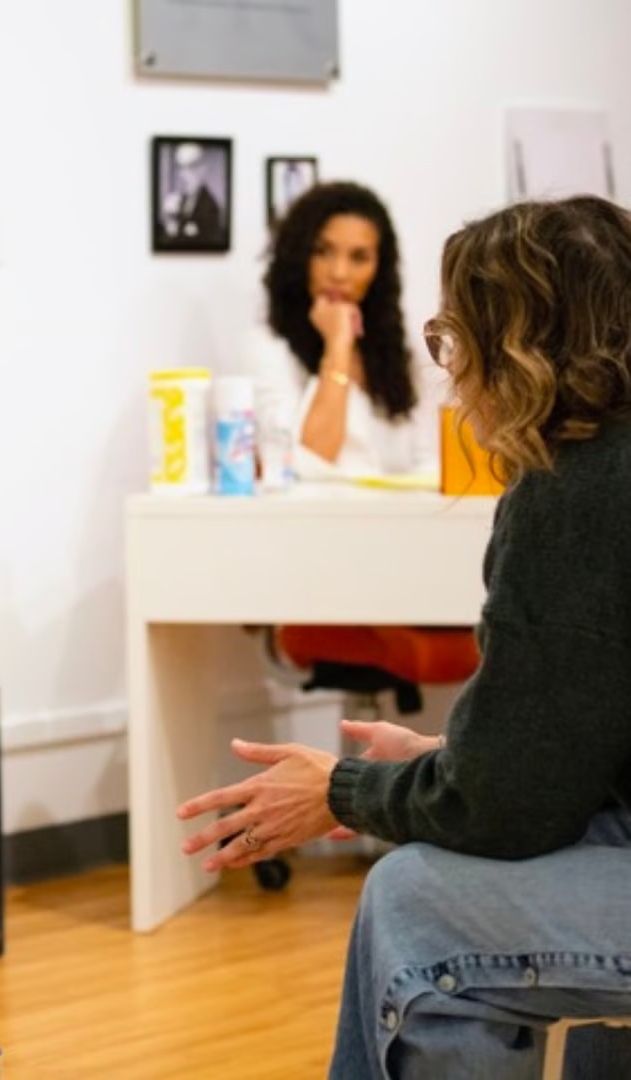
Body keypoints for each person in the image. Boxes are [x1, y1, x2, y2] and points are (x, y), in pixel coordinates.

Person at [180, 194, 631, 1078]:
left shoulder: (574, 495)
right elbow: (573, 744)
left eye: (455, 339)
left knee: (415, 902)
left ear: (518, 343)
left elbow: (505, 809)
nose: (451, 371)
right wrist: (446, 756)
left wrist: (348, 790)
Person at [243, 180, 424, 480]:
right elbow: (308, 461)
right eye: (323, 251)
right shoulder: (267, 348)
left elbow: (428, 460)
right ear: (299, 257)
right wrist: (338, 346)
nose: (339, 273)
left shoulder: (401, 355)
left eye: (358, 257)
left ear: (379, 268)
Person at [158, 141, 226, 249]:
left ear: (203, 168)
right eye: (181, 167)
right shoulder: (181, 200)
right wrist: (170, 218)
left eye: (191, 166)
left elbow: (207, 245)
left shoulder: (210, 206)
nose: (184, 174)